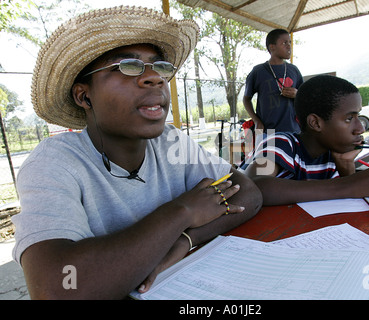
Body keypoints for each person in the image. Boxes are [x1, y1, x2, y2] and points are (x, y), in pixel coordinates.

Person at [11, 6, 262, 300]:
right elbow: (56, 287)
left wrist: (184, 239)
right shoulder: (54, 164)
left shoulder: (171, 142)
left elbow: (248, 192)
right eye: (127, 67)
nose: (154, 78)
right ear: (84, 95)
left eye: (160, 67)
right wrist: (181, 212)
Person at [241, 75, 369, 205]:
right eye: (349, 118)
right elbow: (255, 186)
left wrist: (347, 169)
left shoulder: (332, 154)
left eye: (359, 116)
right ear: (316, 123)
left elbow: (340, 199)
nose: (360, 128)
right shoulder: (280, 143)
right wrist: (352, 183)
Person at [243, 29, 303, 133]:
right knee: (270, 150)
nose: (289, 46)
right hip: (268, 131)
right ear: (272, 47)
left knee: (291, 149)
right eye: (284, 43)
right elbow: (246, 99)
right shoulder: (258, 71)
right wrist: (257, 121)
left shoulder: (294, 70)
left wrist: (297, 94)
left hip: (293, 130)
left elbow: (305, 96)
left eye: (290, 42)